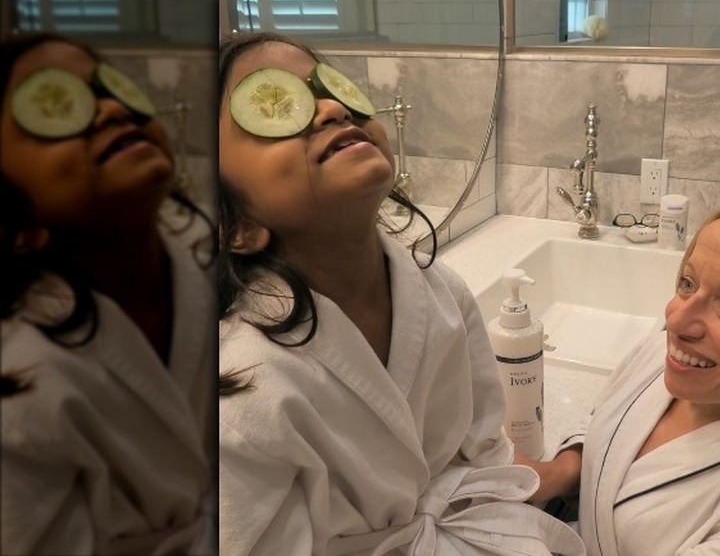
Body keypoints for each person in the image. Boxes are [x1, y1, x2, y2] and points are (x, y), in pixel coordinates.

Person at [216, 31, 584, 555]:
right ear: (234, 225)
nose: (328, 109)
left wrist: (568, 469)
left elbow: (485, 459)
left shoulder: (438, 292)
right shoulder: (239, 387)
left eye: (331, 90)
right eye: (275, 110)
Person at [0, 34, 216, 554]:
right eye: (54, 108)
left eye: (110, 88)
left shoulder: (203, 273)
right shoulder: (20, 379)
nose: (113, 109)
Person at [521, 198, 720, 555]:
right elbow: (601, 423)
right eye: (688, 283)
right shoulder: (661, 358)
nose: (675, 320)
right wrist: (555, 474)